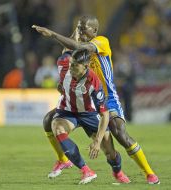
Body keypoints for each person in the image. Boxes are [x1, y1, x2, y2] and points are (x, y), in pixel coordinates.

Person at [32, 15, 160, 184]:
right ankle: (63, 160)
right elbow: (68, 50)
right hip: (86, 98)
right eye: (79, 28)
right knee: (50, 120)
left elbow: (77, 46)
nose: (80, 31)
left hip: (107, 97)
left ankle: (149, 173)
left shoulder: (101, 42)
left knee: (119, 133)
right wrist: (76, 31)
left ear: (94, 30)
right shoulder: (79, 48)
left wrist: (53, 34)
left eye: (83, 28)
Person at [51, 48, 129, 184]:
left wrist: (97, 142)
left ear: (85, 66)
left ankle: (118, 172)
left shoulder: (93, 81)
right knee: (57, 128)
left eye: (75, 65)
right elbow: (65, 49)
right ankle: (86, 171)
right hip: (68, 112)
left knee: (110, 152)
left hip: (90, 114)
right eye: (71, 64)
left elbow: (104, 114)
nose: (71, 68)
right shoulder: (64, 67)